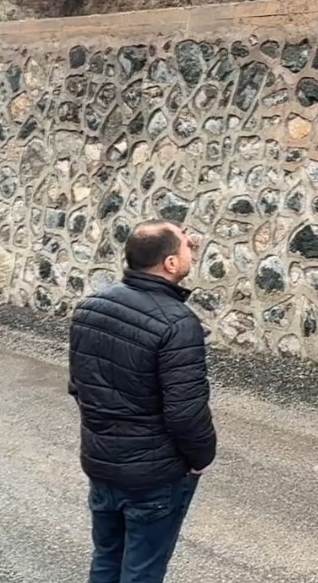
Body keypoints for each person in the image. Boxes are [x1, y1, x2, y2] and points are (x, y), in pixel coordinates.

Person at [68, 219, 217, 583]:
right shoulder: (178, 323)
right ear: (170, 263)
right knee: (142, 571)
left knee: (107, 559)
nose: (192, 249)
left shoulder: (90, 308)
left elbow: (79, 387)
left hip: (102, 463)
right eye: (186, 245)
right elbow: (185, 412)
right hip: (155, 476)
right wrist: (201, 458)